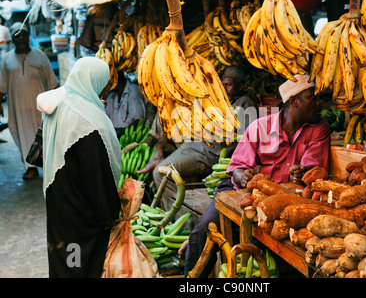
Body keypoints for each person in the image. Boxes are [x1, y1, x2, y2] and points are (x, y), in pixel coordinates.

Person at [183, 73, 331, 277]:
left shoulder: (318, 128)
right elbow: (236, 169)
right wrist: (243, 176)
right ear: (294, 101)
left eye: (318, 98)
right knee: (203, 232)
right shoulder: (260, 127)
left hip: (289, 201)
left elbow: (313, 169)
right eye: (311, 97)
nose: (318, 103)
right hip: (243, 194)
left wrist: (302, 174)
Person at [37, 57, 122, 278]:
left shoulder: (62, 101)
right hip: (78, 205)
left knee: (63, 254)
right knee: (77, 259)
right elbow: (96, 177)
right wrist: (109, 215)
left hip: (59, 195)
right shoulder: (87, 121)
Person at [137, 66, 258, 197]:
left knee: (160, 173)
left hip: (207, 152)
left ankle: (179, 214)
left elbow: (244, 142)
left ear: (240, 87)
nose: (224, 89)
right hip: (192, 141)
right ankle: (158, 155)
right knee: (167, 106)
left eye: (228, 85)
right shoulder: (215, 99)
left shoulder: (245, 103)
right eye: (221, 85)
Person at [0, 22, 58, 179]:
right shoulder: (6, 59)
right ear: (12, 39)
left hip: (40, 106)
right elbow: (2, 85)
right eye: (17, 36)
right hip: (17, 108)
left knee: (46, 133)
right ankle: (30, 167)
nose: (21, 39)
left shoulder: (40, 56)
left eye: (24, 35)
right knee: (22, 134)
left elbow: (53, 82)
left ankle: (50, 167)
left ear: (28, 36)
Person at [105, 70, 155, 137]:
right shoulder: (111, 96)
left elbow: (139, 121)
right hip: (120, 137)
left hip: (140, 137)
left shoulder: (134, 91)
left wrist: (120, 133)